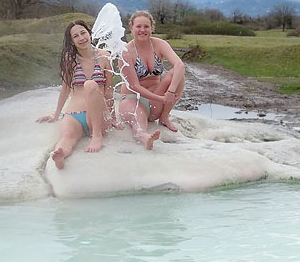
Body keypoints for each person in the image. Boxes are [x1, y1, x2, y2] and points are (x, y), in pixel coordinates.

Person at [37, 20, 115, 169]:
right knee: (66, 138)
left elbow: (108, 89)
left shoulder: (105, 56)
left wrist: (113, 117)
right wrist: (56, 114)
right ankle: (60, 155)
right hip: (75, 115)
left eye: (83, 33)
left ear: (89, 33)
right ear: (72, 41)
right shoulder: (70, 60)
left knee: (90, 84)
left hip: (98, 117)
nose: (81, 38)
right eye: (76, 36)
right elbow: (65, 88)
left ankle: (96, 136)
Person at [119, 10, 187, 133]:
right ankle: (145, 137)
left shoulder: (160, 44)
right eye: (138, 26)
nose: (142, 30)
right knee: (138, 121)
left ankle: (164, 117)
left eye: (146, 26)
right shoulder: (126, 51)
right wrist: (162, 99)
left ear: (151, 28)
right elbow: (134, 85)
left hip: (156, 101)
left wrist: (171, 92)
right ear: (131, 28)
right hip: (133, 100)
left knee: (177, 73)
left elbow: (180, 65)